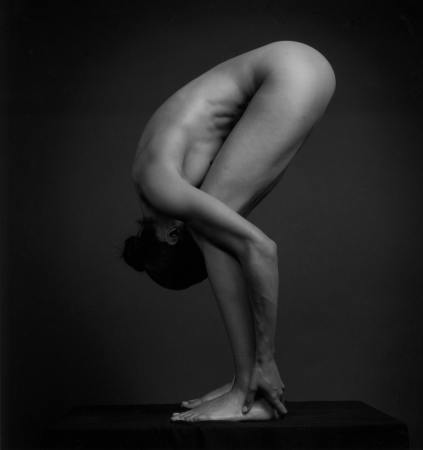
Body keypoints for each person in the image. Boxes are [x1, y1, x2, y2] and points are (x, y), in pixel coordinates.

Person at [123, 41, 335, 422]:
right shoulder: (153, 179)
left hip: (289, 74)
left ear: (172, 236)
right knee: (218, 227)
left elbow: (261, 248)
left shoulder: (159, 187)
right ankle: (245, 380)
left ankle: (247, 389)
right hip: (301, 69)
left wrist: (267, 359)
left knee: (213, 235)